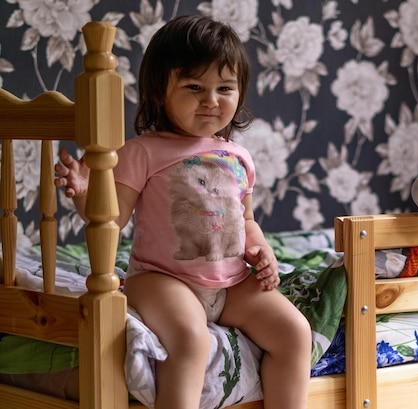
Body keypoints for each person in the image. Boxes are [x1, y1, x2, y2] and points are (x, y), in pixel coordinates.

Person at [55, 15, 311, 409]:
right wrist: (85, 193)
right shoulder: (142, 151)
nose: (211, 100)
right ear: (161, 91)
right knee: (192, 339)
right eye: (195, 87)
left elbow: (246, 221)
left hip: (230, 284)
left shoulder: (237, 156)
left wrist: (263, 252)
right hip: (164, 280)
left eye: (224, 88)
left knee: (294, 331)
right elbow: (111, 219)